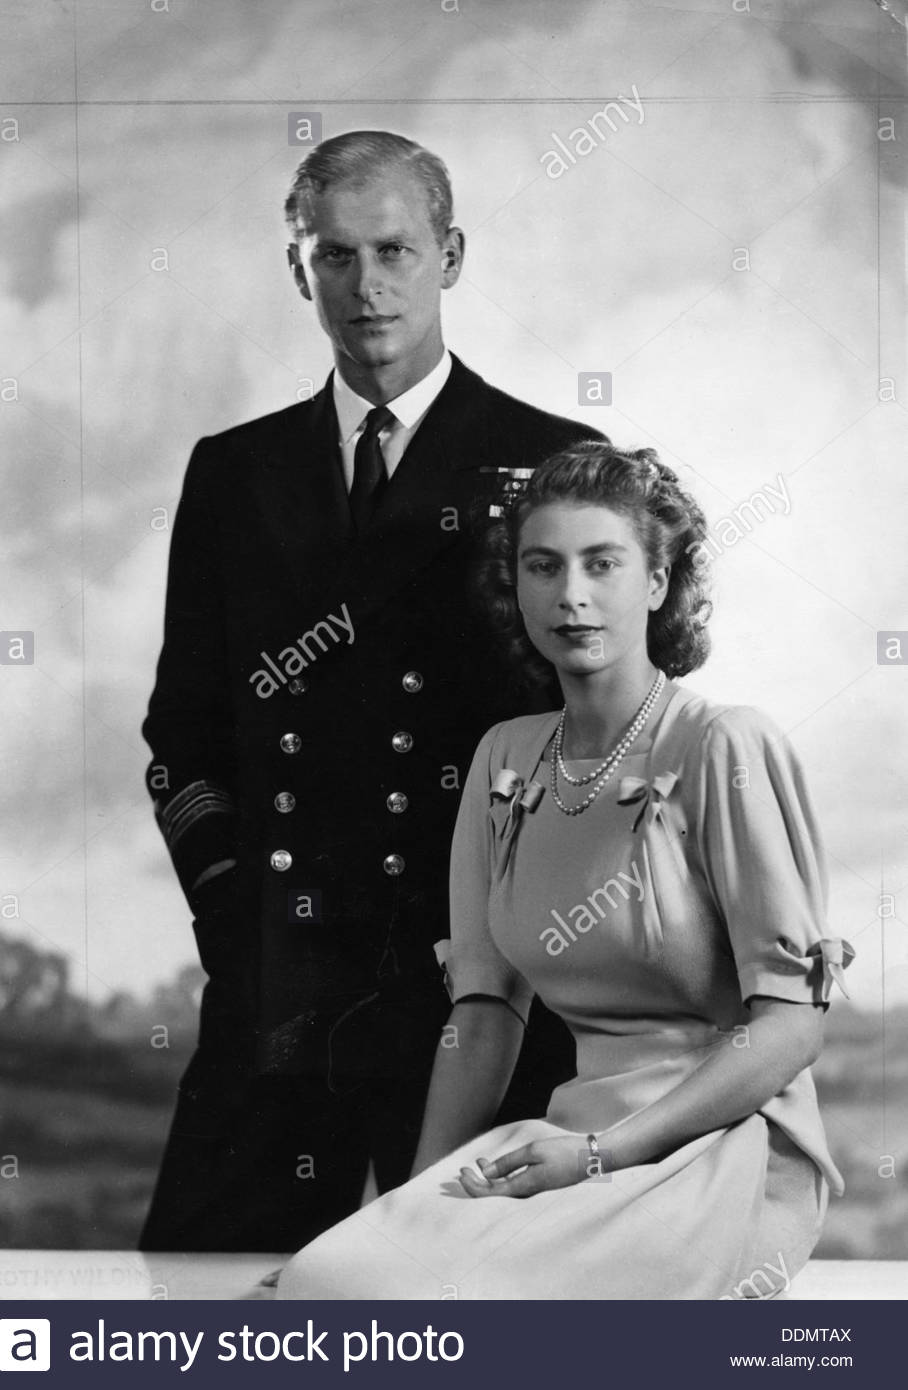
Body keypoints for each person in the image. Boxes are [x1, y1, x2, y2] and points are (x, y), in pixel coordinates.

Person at [138, 130, 607, 1253]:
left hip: (482, 991)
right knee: (194, 1313)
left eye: (394, 248)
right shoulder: (234, 471)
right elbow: (182, 730)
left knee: (488, 1330)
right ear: (297, 271)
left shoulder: (554, 463)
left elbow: (608, 735)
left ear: (450, 254)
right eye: (334, 255)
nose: (368, 285)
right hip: (281, 982)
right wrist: (230, 910)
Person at [275, 440, 853, 1300]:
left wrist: (600, 1155)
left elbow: (790, 1028)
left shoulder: (721, 744)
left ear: (656, 584)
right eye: (542, 566)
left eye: (603, 564)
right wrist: (414, 1207)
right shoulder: (505, 760)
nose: (571, 594)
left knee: (461, 1312)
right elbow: (482, 1017)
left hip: (723, 1147)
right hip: (570, 1138)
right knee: (336, 1281)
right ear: (517, 585)